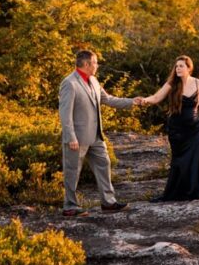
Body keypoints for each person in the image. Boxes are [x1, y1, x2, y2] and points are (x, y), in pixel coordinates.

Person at [59, 48, 145, 216]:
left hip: (96, 137)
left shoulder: (94, 81)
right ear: (86, 64)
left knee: (104, 165)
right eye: (95, 62)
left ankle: (108, 203)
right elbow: (65, 113)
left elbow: (108, 99)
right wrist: (71, 137)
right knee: (72, 171)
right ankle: (70, 206)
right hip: (77, 138)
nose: (97, 65)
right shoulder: (69, 83)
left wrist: (131, 102)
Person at [138, 55, 199, 200]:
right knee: (180, 161)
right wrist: (144, 100)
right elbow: (156, 98)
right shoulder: (172, 84)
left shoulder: (198, 83)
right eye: (176, 66)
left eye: (181, 66)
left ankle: (198, 190)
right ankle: (180, 192)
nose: (178, 68)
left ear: (189, 68)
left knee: (196, 159)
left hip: (194, 127)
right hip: (177, 130)